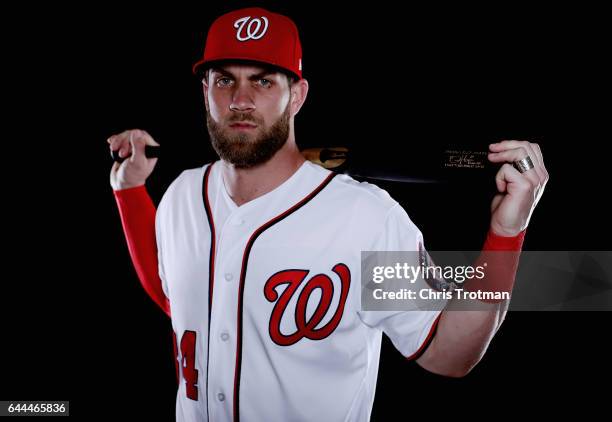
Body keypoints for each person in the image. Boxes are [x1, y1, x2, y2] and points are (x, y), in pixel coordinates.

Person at [108, 7, 548, 422]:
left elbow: (450, 354)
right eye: (225, 80)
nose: (240, 99)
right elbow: (177, 299)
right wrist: (128, 190)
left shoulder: (364, 220)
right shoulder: (181, 196)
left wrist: (506, 233)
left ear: (296, 95)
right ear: (206, 91)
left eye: (263, 82)